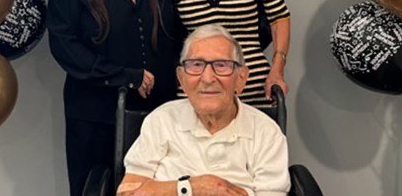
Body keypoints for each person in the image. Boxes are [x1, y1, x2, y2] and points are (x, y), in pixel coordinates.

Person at [47, 0, 184, 196]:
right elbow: (64, 46)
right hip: (94, 120)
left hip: (158, 120)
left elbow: (175, 40)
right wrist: (124, 76)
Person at [118, 24, 290, 196]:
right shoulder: (161, 120)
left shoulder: (267, 133)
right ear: (182, 78)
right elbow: (127, 192)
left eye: (221, 65)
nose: (207, 78)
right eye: (196, 65)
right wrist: (190, 188)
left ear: (241, 78)